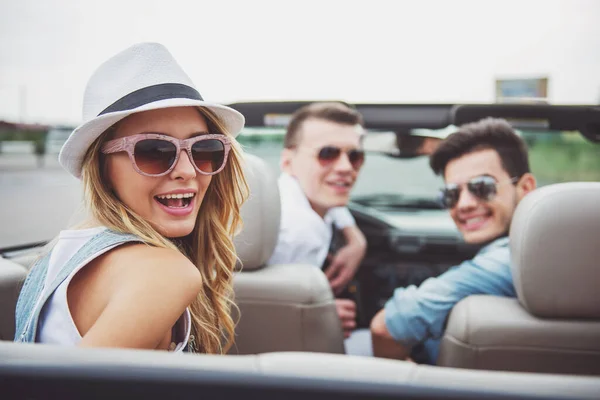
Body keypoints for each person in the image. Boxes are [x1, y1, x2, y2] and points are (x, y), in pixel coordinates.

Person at [13, 42, 248, 354]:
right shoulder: (163, 273)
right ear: (102, 167)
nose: (187, 170)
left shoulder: (55, 259)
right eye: (153, 150)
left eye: (205, 149)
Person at [370, 117, 536, 364]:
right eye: (451, 194)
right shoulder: (551, 255)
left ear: (525, 187)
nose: (465, 205)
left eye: (482, 187)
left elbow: (385, 328)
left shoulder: (506, 261)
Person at [267, 102, 367, 338]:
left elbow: (334, 203)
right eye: (327, 154)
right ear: (287, 162)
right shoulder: (296, 232)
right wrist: (318, 315)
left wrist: (356, 240)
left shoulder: (295, 192)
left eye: (354, 156)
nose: (345, 167)